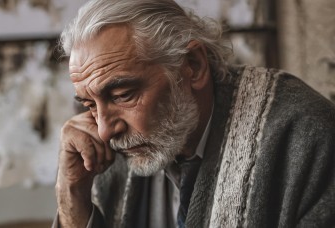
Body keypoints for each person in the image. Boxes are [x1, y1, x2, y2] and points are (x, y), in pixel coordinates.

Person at [54, 0, 335, 227]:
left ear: (193, 65)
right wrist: (72, 196)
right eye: (89, 104)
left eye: (123, 95)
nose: (104, 130)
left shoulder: (306, 135)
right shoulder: (108, 153)